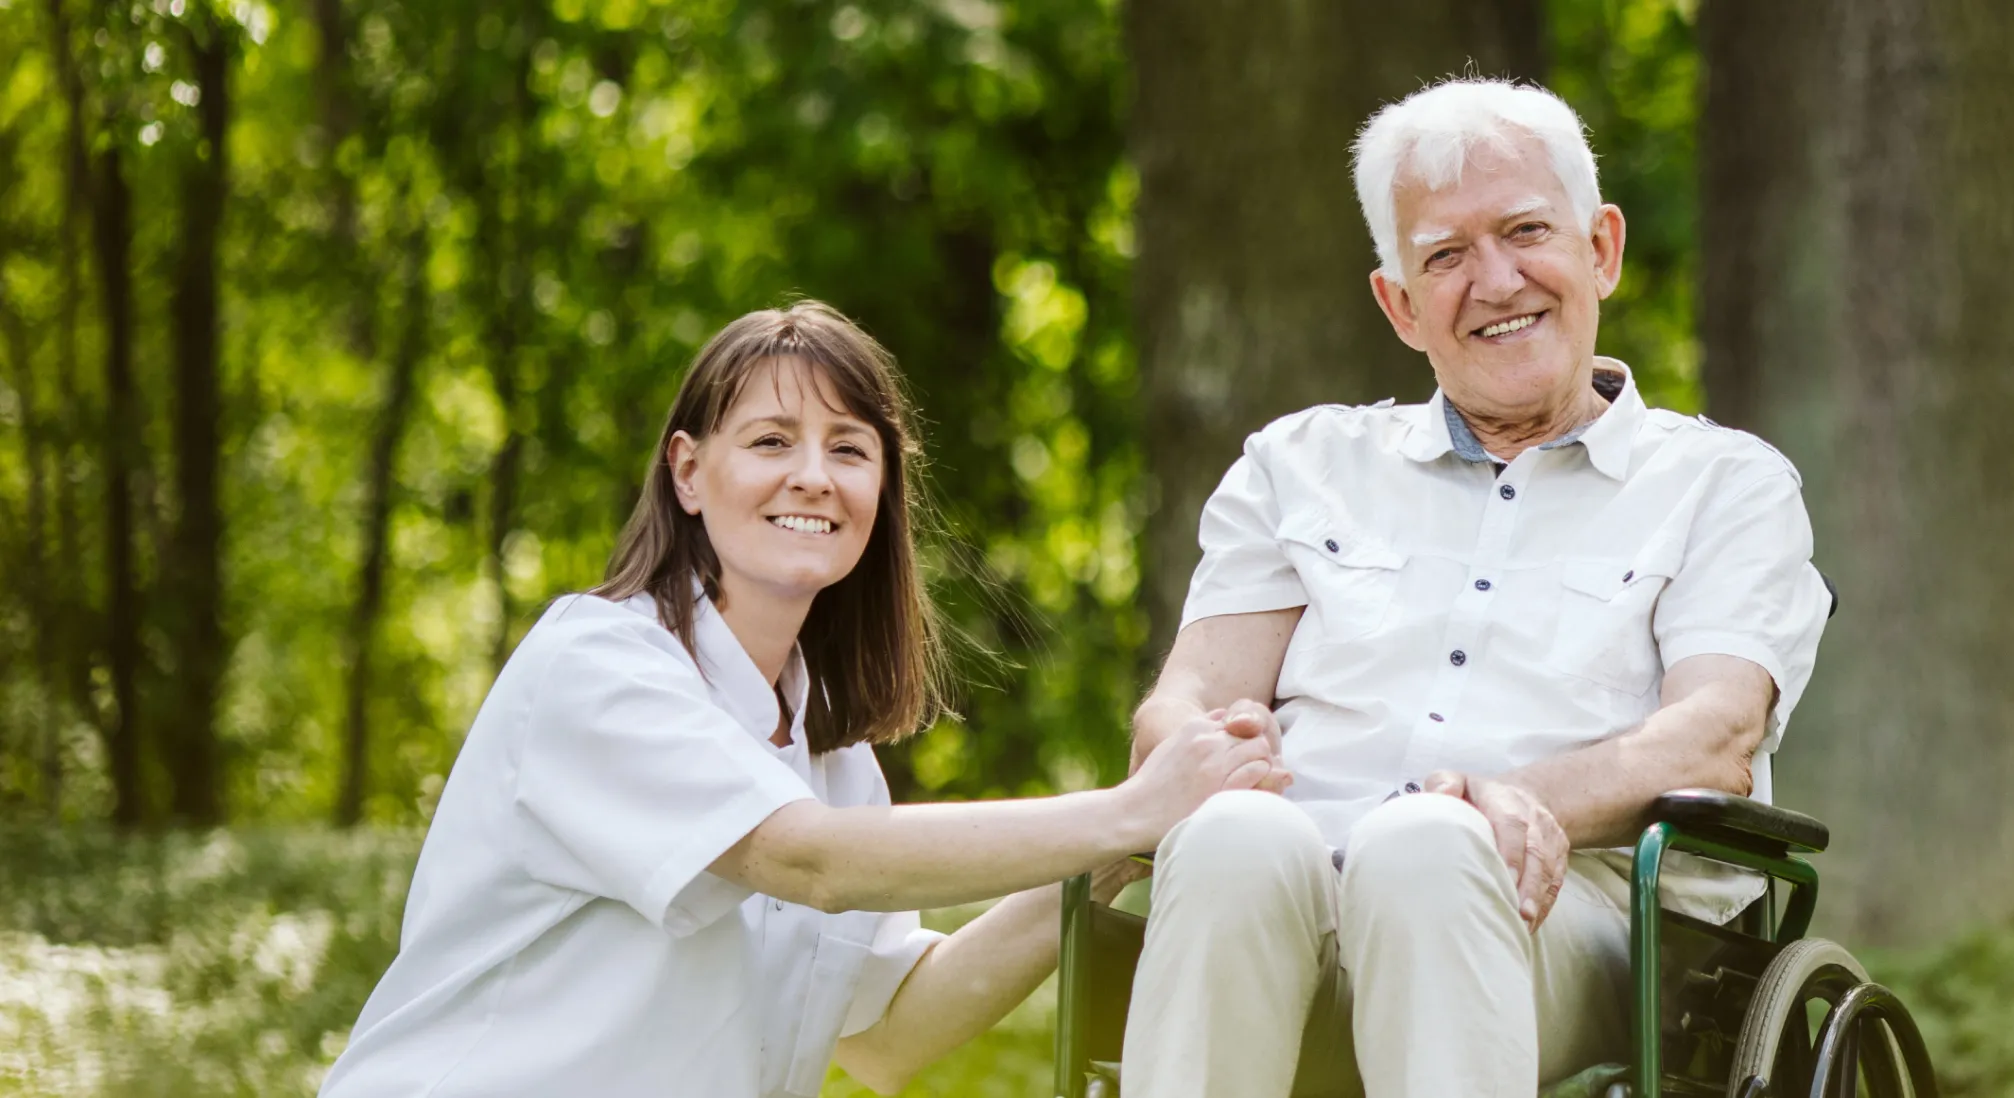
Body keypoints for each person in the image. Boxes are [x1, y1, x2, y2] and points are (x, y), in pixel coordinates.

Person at [317, 302, 1284, 1098]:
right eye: (772, 440)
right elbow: (806, 861)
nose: (813, 477)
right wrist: (1130, 807)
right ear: (690, 472)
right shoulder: (599, 664)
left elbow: (890, 1034)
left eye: (850, 448)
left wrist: (1116, 842)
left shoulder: (831, 761)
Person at [1113, 78, 1831, 1098]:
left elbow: (1711, 735)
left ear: (1601, 250)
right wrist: (1191, 749)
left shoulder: (1722, 486)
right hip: (1290, 890)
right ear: (1399, 305)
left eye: (1526, 231)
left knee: (1423, 849)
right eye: (1444, 255)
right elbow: (1183, 705)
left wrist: (1508, 804)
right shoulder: (1298, 464)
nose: (1493, 281)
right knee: (1229, 837)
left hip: (1573, 917)